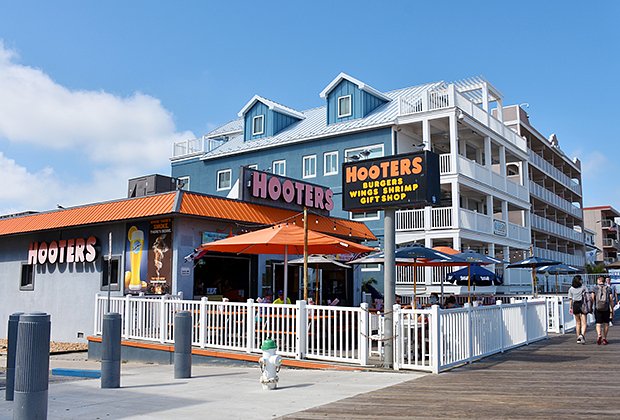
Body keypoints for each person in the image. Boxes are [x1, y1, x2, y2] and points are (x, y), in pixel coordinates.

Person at [592, 276, 614, 345]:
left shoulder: (594, 288)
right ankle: (604, 338)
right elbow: (611, 299)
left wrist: (592, 306)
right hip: (606, 308)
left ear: (599, 280)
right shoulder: (608, 288)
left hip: (597, 308)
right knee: (606, 323)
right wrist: (612, 308)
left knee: (598, 323)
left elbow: (592, 298)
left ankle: (599, 335)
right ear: (604, 281)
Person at [568, 275, 588, 344]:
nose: (582, 280)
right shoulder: (583, 287)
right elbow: (587, 296)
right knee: (584, 323)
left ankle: (578, 338)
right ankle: (582, 335)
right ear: (579, 280)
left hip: (575, 305)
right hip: (582, 305)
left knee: (577, 322)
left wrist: (570, 307)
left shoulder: (571, 289)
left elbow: (570, 299)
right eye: (581, 279)